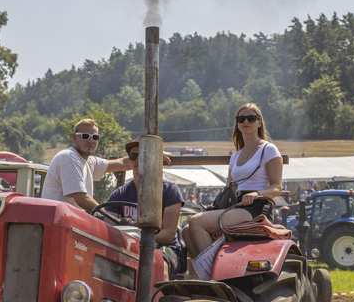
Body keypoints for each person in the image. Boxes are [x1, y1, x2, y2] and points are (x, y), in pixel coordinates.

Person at [182, 103, 283, 271]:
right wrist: (216, 206)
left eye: (251, 118)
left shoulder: (268, 150)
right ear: (237, 123)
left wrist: (256, 194)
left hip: (256, 207)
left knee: (196, 222)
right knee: (186, 231)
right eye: (241, 118)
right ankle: (202, 275)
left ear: (259, 122)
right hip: (235, 205)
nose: (246, 122)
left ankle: (216, 273)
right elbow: (230, 188)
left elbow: (277, 188)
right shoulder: (236, 155)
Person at [41, 118, 134, 212]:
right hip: (57, 222)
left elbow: (123, 163)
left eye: (95, 137)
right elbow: (81, 199)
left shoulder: (89, 162)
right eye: (85, 136)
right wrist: (108, 218)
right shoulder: (68, 157)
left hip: (68, 220)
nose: (91, 141)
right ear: (74, 138)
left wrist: (142, 150)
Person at [105, 139, 183, 245]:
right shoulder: (119, 194)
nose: (138, 160)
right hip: (130, 248)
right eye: (133, 156)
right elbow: (109, 230)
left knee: (154, 262)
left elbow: (168, 235)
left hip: (162, 247)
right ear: (129, 160)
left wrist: (137, 240)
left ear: (153, 159)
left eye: (143, 155)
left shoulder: (170, 190)